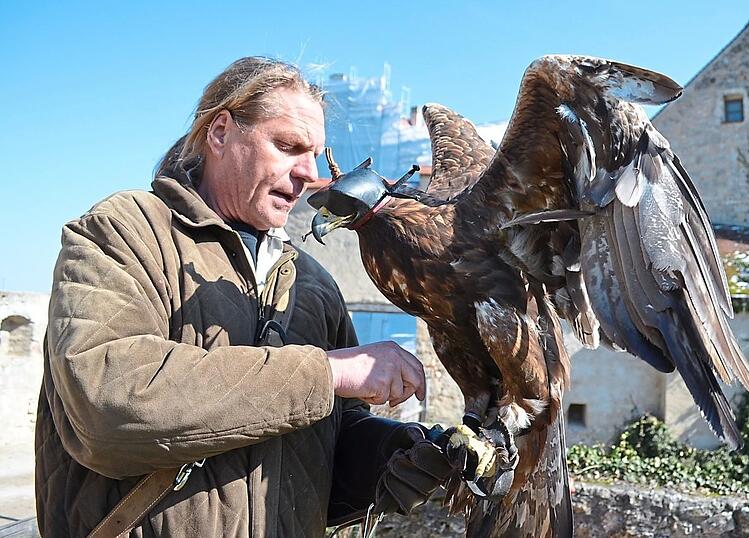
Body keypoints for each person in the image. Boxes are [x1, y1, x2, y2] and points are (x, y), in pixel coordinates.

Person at [35, 56, 468, 537]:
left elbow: (321, 445)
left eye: (314, 154)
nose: (308, 173)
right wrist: (328, 371)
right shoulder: (124, 232)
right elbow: (108, 402)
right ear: (220, 133)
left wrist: (395, 454)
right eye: (288, 146)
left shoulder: (313, 284)